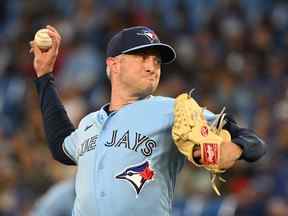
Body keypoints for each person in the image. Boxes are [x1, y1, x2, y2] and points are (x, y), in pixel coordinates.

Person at [30, 25, 266, 216]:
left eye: (156, 61)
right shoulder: (89, 122)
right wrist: (44, 76)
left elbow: (252, 141)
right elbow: (61, 146)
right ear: (114, 64)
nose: (152, 66)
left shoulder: (171, 110)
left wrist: (234, 149)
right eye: (143, 57)